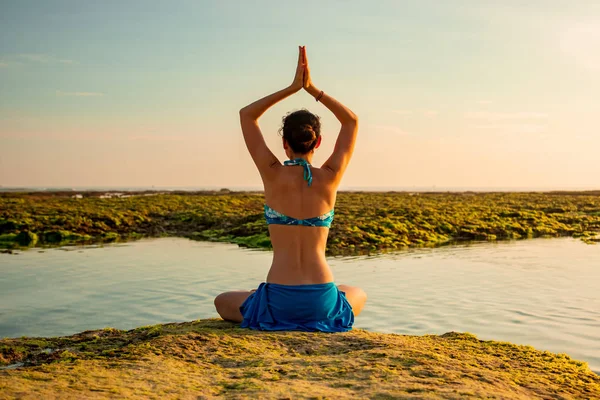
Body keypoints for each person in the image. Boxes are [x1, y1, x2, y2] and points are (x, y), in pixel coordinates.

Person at [214, 46, 367, 332]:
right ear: (318, 142)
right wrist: (312, 90)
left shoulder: (272, 174)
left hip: (278, 300)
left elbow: (247, 115)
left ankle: (264, 301)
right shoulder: (330, 177)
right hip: (320, 300)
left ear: (284, 142)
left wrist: (292, 87)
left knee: (222, 301)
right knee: (356, 292)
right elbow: (351, 121)